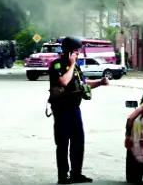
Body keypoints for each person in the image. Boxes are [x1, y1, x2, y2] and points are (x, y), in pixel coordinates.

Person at [48, 36, 109, 184]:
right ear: (68, 52)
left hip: (74, 108)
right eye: (76, 51)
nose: (78, 54)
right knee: (63, 143)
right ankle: (63, 176)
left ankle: (76, 173)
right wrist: (71, 64)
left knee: (78, 141)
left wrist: (100, 82)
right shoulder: (57, 65)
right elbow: (63, 81)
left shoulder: (75, 66)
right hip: (61, 109)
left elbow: (82, 83)